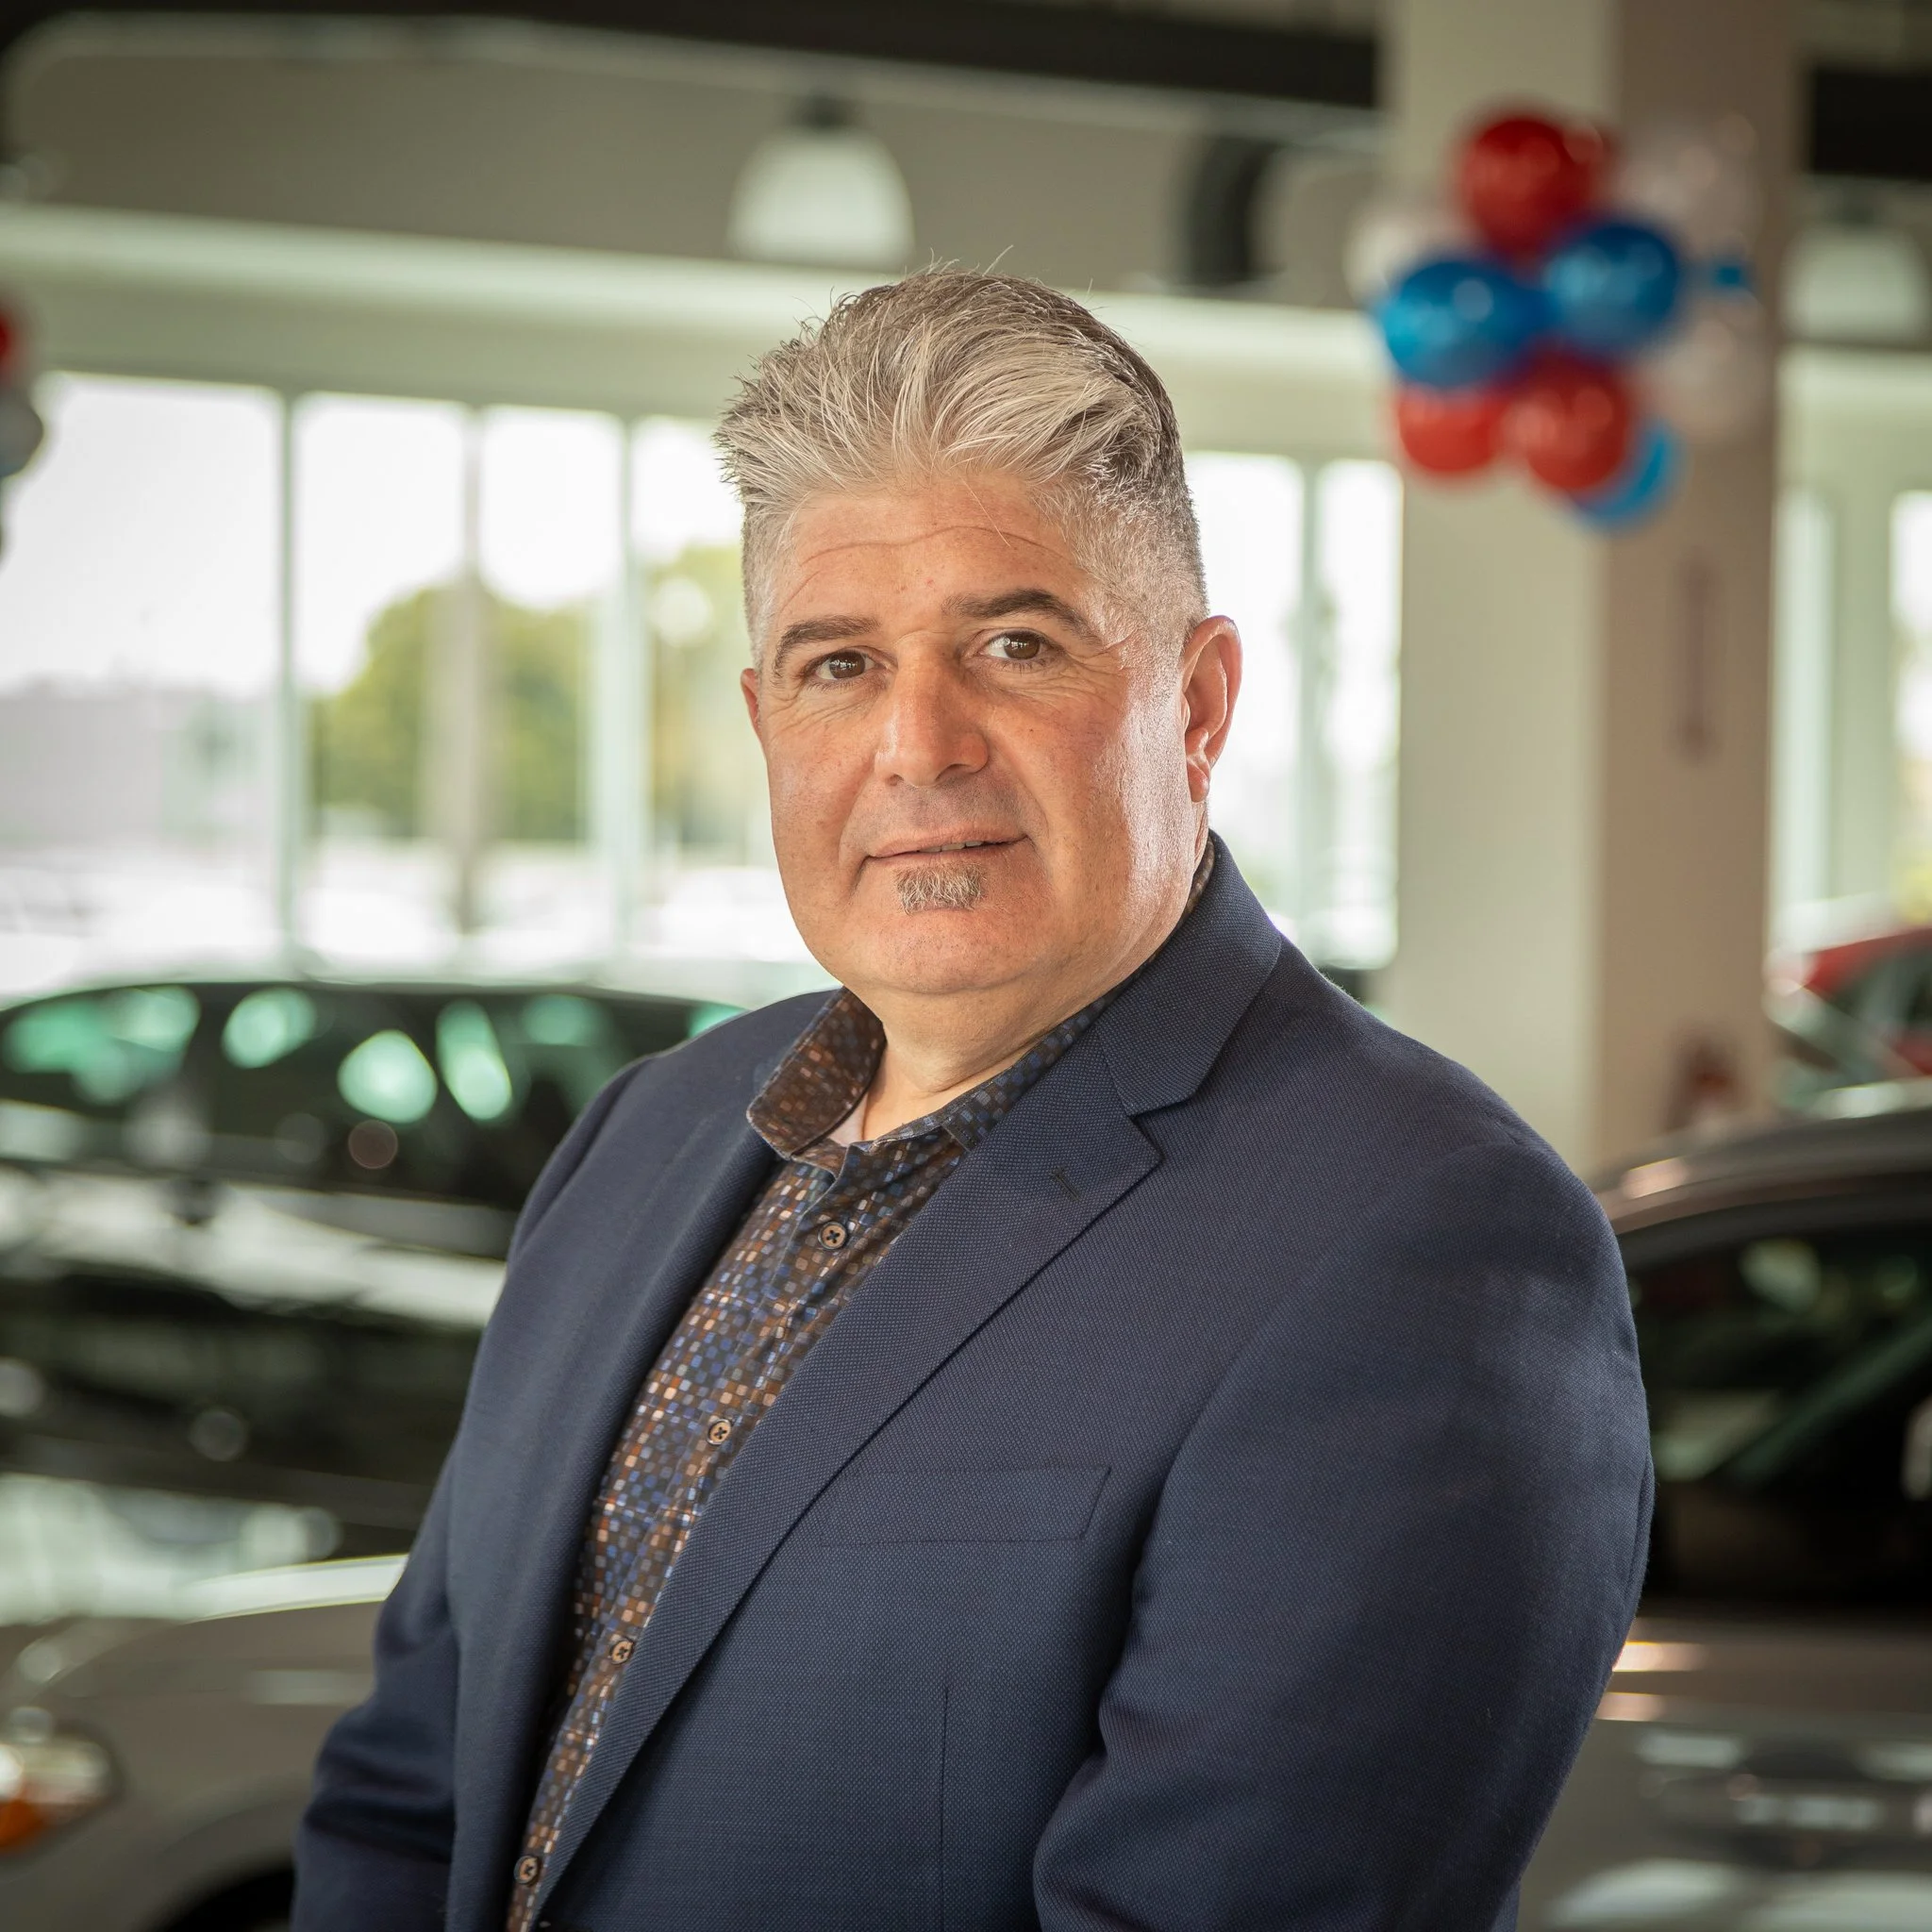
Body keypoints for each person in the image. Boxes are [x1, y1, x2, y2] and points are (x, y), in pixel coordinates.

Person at [292, 271, 1651, 1932]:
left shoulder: (1425, 1238)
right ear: (765, 723)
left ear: (1198, 704)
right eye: (840, 665)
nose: (919, 746)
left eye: (1016, 645)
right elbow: (405, 1784)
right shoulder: (648, 1137)